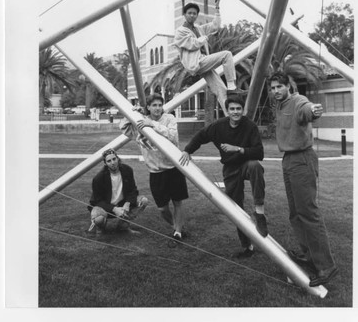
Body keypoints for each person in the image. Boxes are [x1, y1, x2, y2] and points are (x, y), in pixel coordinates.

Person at [269, 72, 338, 287]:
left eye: (280, 86)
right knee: (295, 213)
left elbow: (307, 110)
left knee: (309, 213)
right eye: (273, 88)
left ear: (289, 86)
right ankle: (308, 253)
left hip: (302, 159)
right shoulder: (279, 105)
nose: (276, 91)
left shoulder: (298, 100)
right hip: (288, 160)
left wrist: (314, 110)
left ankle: (326, 266)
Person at [180, 95, 268, 258]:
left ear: (243, 110)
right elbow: (200, 136)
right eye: (232, 109)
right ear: (227, 111)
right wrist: (187, 150)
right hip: (230, 169)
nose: (235, 112)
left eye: (238, 109)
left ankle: (259, 212)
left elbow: (259, 152)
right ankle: (247, 246)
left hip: (245, 164)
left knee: (255, 166)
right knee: (235, 208)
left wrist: (238, 149)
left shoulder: (250, 126)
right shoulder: (218, 126)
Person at [119, 93, 189, 243]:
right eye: (154, 105)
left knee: (178, 202)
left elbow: (173, 137)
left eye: (159, 105)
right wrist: (133, 113)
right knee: (162, 209)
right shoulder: (140, 122)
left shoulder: (169, 118)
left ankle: (177, 233)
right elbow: (123, 127)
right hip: (156, 173)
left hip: (173, 169)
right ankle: (176, 226)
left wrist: (153, 125)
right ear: (148, 107)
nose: (157, 108)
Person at [174, 0, 246, 116]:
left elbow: (215, 26)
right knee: (227, 55)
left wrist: (217, 8)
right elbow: (191, 44)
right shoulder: (180, 31)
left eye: (194, 13)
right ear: (185, 14)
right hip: (197, 62)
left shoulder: (198, 29)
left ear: (197, 15)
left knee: (221, 90)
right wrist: (203, 39)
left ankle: (229, 116)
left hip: (203, 62)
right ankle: (232, 86)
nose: (192, 15)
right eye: (189, 13)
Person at [87, 148, 148, 234]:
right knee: (99, 219)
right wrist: (114, 209)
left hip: (122, 204)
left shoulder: (127, 170)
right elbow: (97, 201)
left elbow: (133, 190)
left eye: (114, 159)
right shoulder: (99, 178)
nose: (112, 163)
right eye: (109, 161)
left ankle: (123, 226)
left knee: (143, 201)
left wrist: (128, 203)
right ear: (105, 163)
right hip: (106, 206)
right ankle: (100, 228)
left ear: (117, 158)